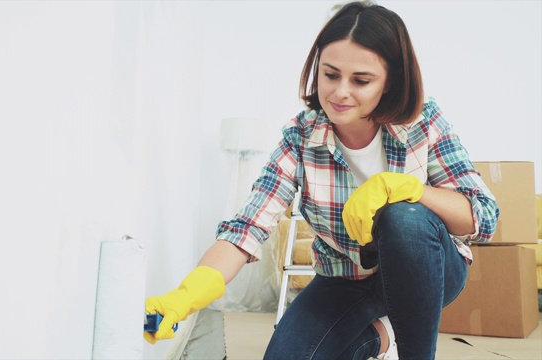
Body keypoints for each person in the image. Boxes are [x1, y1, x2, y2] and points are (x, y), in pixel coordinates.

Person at [144, 1, 499, 359]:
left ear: (390, 82)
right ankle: (381, 336)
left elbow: (484, 216)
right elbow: (249, 226)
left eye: (361, 80)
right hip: (344, 278)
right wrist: (188, 293)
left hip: (429, 272)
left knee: (404, 217)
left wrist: (409, 189)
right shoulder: (301, 136)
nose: (340, 92)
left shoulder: (422, 121)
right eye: (331, 75)